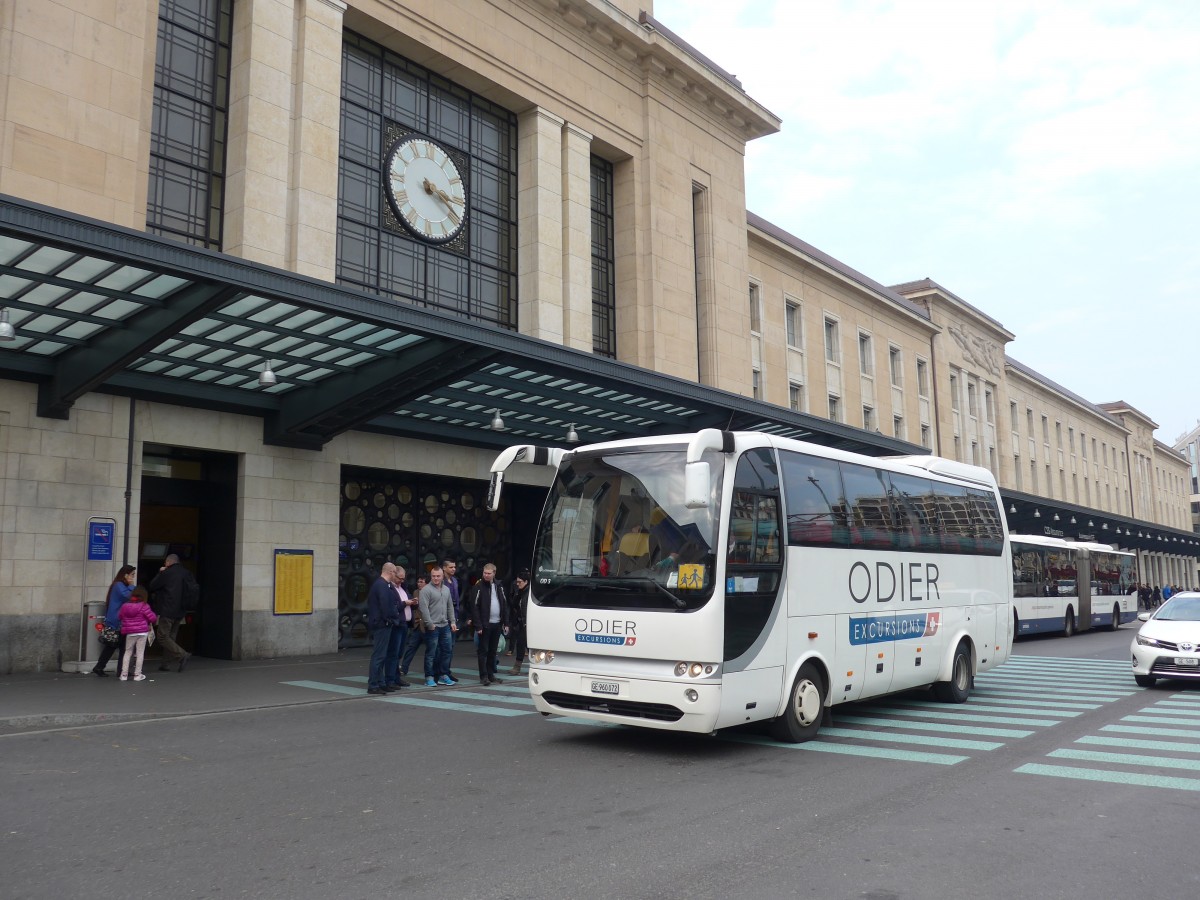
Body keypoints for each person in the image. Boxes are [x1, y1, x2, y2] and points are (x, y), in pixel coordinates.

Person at [147, 554, 197, 672]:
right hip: (181, 610)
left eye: (165, 563)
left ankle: (182, 655)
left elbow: (152, 586)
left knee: (163, 637)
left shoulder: (167, 573)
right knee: (171, 637)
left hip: (167, 609)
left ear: (168, 562)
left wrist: (160, 572)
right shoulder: (186, 573)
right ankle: (166, 664)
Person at [468, 563, 509, 685]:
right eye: (485, 573)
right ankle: (483, 676)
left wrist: (506, 622)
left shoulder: (499, 586)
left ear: (494, 573)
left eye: (489, 573)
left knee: (492, 651)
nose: (486, 575)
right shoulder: (478, 587)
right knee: (483, 651)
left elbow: (504, 605)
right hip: (485, 624)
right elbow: (474, 607)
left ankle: (491, 675)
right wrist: (478, 625)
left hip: (497, 623)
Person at [92, 565, 135, 677]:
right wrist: (131, 586)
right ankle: (120, 670)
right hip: (118, 620)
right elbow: (128, 596)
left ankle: (101, 667)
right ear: (125, 575)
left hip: (118, 619)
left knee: (114, 645)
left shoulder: (118, 585)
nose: (133, 577)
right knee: (119, 646)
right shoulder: (119, 585)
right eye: (131, 575)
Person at [419, 565, 458, 686]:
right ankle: (429, 677)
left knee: (447, 651)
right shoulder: (426, 590)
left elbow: (450, 606)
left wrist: (452, 622)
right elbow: (423, 608)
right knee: (431, 653)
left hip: (445, 625)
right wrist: (429, 624)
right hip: (433, 626)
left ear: (442, 577)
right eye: (433, 576)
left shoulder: (446, 589)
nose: (435, 578)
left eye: (438, 576)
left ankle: (443, 674)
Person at [366, 562, 400, 695]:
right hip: (382, 624)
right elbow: (385, 606)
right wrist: (391, 619)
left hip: (381, 623)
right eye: (395, 573)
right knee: (379, 656)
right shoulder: (382, 585)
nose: (395, 575)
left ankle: (380, 683)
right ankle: (373, 684)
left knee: (381, 655)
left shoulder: (382, 585)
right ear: (391, 572)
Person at [385, 564, 417, 690]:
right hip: (396, 624)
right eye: (400, 578)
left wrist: (413, 603)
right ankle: (390, 679)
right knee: (393, 653)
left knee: (399, 653)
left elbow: (408, 603)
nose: (402, 581)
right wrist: (405, 603)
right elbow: (393, 608)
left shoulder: (403, 587)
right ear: (393, 575)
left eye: (403, 578)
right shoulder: (390, 589)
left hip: (405, 624)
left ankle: (396, 677)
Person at [118, 586, 157, 682]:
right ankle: (137, 675)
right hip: (142, 632)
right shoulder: (144, 606)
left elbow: (120, 616)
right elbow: (152, 618)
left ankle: (123, 675)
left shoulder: (125, 606)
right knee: (140, 653)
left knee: (127, 652)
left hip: (130, 633)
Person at [400, 574, 430, 679]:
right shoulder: (416, 592)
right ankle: (404, 668)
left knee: (430, 650)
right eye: (418, 581)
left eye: (421, 582)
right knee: (411, 647)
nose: (419, 584)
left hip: (427, 625)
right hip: (417, 625)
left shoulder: (430, 592)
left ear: (427, 583)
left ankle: (431, 671)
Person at [507, 570, 530, 676]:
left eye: (520, 582)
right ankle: (517, 667)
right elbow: (515, 605)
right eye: (517, 582)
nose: (517, 584)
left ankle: (533, 666)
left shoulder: (529, 593)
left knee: (528, 645)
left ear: (526, 582)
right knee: (521, 644)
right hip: (521, 622)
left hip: (529, 623)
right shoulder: (520, 592)